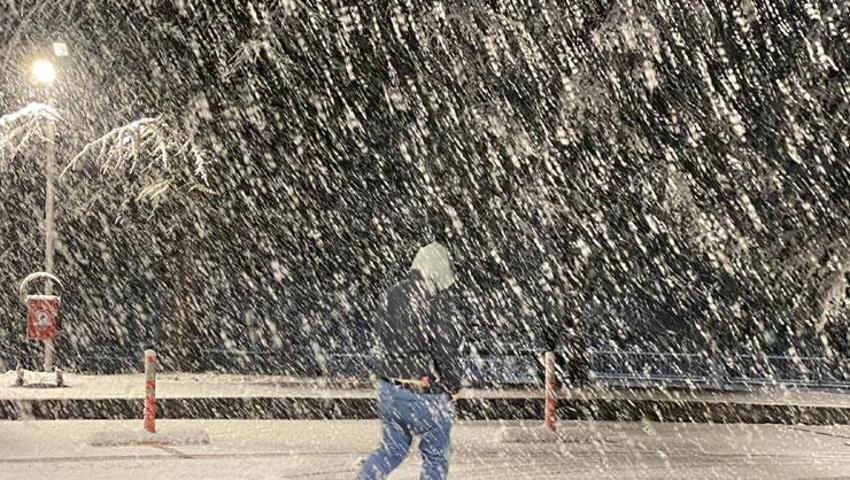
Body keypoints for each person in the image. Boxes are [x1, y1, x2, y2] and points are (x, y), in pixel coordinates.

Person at [357, 241, 462, 480]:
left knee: (391, 450)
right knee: (436, 456)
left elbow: (381, 337)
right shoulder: (435, 299)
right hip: (423, 391)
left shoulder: (392, 293)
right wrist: (452, 383)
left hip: (389, 390)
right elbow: (444, 346)